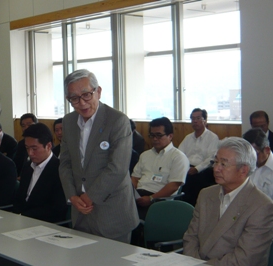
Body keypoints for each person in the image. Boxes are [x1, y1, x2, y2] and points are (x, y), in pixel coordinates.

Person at [59, 69, 139, 243]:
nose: (81, 103)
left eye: (86, 95)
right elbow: (64, 163)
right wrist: (72, 195)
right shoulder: (68, 122)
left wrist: (89, 197)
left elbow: (117, 168)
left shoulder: (117, 120)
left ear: (99, 92)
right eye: (74, 98)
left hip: (111, 212)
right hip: (80, 211)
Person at [183, 137, 273, 265]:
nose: (216, 168)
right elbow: (190, 237)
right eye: (215, 162)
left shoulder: (261, 206)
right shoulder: (206, 194)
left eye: (223, 164)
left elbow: (245, 259)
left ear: (243, 170)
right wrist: (192, 261)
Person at [131, 117, 189, 219]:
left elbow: (174, 185)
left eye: (159, 135)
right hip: (139, 195)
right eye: (152, 135)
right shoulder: (145, 155)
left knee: (133, 218)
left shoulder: (178, 157)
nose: (154, 139)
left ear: (170, 136)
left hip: (160, 199)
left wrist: (151, 198)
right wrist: (131, 193)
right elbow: (135, 178)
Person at [13, 123, 67, 222]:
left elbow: (57, 209)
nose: (30, 153)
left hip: (46, 224)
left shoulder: (60, 169)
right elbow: (19, 198)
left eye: (34, 148)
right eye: (27, 148)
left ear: (48, 146)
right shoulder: (27, 167)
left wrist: (24, 216)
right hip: (22, 220)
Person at [179, 108, 219, 206]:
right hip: (186, 169)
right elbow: (179, 154)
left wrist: (196, 169)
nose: (195, 121)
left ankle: (193, 207)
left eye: (198, 118)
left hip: (202, 170)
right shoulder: (188, 138)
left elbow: (211, 158)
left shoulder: (212, 137)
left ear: (205, 120)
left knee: (194, 182)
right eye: (192, 119)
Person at [243, 127, 273, 199]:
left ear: (267, 150)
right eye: (247, 154)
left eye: (255, 154)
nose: (250, 158)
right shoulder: (243, 164)